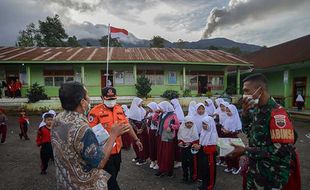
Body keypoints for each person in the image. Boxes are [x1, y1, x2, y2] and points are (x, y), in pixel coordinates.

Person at [51, 82, 130, 189]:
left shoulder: (57, 119)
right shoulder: (82, 128)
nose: (89, 99)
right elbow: (100, 162)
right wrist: (113, 135)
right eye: (87, 96)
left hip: (64, 180)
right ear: (82, 102)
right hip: (83, 184)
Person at [230, 73, 301, 190]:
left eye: (247, 91)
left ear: (260, 90)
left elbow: (282, 150)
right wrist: (245, 114)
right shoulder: (257, 109)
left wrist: (246, 151)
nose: (244, 95)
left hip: (272, 177)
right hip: (256, 172)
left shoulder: (277, 114)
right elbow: (249, 132)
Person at [88, 87, 143, 190]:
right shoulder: (94, 112)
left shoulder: (119, 108)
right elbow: (91, 134)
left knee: (114, 173)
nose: (111, 101)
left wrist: (136, 140)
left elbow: (127, 125)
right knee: (110, 179)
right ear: (102, 98)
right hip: (104, 153)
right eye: (108, 99)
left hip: (117, 151)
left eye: (113, 98)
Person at [154, 101, 180, 177]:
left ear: (165, 107)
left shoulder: (173, 115)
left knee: (168, 154)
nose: (160, 109)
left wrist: (171, 126)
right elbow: (154, 121)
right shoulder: (161, 114)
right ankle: (161, 169)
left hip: (167, 137)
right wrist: (156, 113)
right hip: (160, 136)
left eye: (161, 107)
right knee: (161, 153)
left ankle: (169, 170)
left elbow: (178, 125)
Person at [192, 116, 218, 190]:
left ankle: (209, 185)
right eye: (203, 124)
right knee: (204, 170)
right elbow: (202, 143)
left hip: (209, 157)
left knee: (209, 171)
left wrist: (200, 147)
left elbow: (213, 148)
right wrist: (198, 145)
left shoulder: (213, 134)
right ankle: (204, 184)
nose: (203, 126)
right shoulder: (204, 132)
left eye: (205, 124)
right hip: (203, 155)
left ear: (210, 124)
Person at [128, 97, 149, 166]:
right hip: (135, 129)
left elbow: (145, 120)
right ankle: (138, 156)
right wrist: (136, 129)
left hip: (142, 129)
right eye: (140, 102)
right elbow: (130, 121)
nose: (141, 103)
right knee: (135, 143)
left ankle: (143, 158)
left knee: (142, 143)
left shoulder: (142, 110)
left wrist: (141, 129)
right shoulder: (132, 110)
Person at [177, 116, 199, 183]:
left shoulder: (194, 130)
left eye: (191, 123)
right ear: (184, 123)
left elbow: (196, 140)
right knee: (184, 163)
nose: (189, 124)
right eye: (187, 123)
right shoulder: (182, 128)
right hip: (183, 149)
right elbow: (179, 138)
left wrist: (190, 143)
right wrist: (180, 142)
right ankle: (185, 176)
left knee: (191, 164)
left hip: (191, 149)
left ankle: (192, 178)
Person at [222, 104, 242, 175]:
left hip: (233, 138)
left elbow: (239, 130)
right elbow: (223, 126)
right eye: (227, 111)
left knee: (234, 155)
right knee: (227, 153)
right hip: (226, 138)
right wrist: (223, 130)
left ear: (233, 111)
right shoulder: (227, 119)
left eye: (229, 111)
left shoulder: (236, 119)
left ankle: (236, 167)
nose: (228, 112)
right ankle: (229, 166)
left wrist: (230, 132)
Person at [171, 98, 184, 168]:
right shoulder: (176, 110)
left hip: (178, 130)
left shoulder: (177, 111)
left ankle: (179, 161)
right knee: (175, 145)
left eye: (172, 104)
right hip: (175, 130)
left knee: (177, 145)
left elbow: (178, 122)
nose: (172, 105)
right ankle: (176, 159)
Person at [146, 102, 160, 169]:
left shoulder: (158, 114)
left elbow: (158, 125)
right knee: (151, 146)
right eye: (148, 108)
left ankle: (158, 162)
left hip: (156, 132)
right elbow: (147, 124)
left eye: (149, 108)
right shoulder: (149, 114)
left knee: (156, 146)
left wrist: (152, 119)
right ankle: (152, 160)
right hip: (151, 131)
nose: (148, 109)